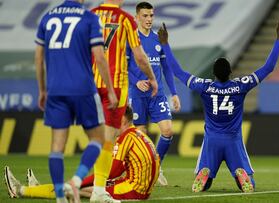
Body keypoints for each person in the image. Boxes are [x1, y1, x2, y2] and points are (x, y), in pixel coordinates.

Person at [157, 19, 279, 193]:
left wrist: (165, 44)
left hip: (212, 141)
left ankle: (204, 174)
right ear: (231, 72)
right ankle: (242, 175)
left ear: (213, 74)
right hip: (233, 141)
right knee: (250, 185)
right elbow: (268, 67)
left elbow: (178, 72)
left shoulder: (204, 86)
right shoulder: (241, 86)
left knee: (205, 185)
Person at [28, 0, 118, 202]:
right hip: (83, 89)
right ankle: (76, 181)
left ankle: (60, 197)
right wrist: (110, 89)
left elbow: (38, 57)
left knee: (57, 146)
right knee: (98, 138)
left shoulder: (48, 17)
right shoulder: (89, 18)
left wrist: (42, 89)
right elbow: (100, 57)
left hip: (55, 90)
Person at [4, 106, 160, 201]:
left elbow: (112, 172)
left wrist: (82, 181)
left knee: (73, 190)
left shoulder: (126, 138)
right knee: (85, 188)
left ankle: (22, 191)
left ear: (122, 120)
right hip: (139, 188)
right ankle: (39, 188)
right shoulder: (140, 134)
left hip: (133, 190)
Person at [90, 0, 158, 201]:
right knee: (108, 141)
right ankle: (96, 190)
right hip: (115, 86)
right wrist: (152, 78)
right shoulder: (126, 19)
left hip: (90, 84)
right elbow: (139, 57)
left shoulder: (91, 15)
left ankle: (76, 185)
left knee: (95, 139)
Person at [126, 1, 181, 186]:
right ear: (136, 17)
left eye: (151, 15)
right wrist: (136, 81)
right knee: (141, 136)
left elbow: (166, 68)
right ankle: (141, 171)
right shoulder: (131, 38)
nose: (149, 19)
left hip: (157, 95)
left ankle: (156, 167)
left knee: (168, 130)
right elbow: (124, 66)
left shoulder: (159, 39)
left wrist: (174, 93)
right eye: (145, 16)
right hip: (138, 95)